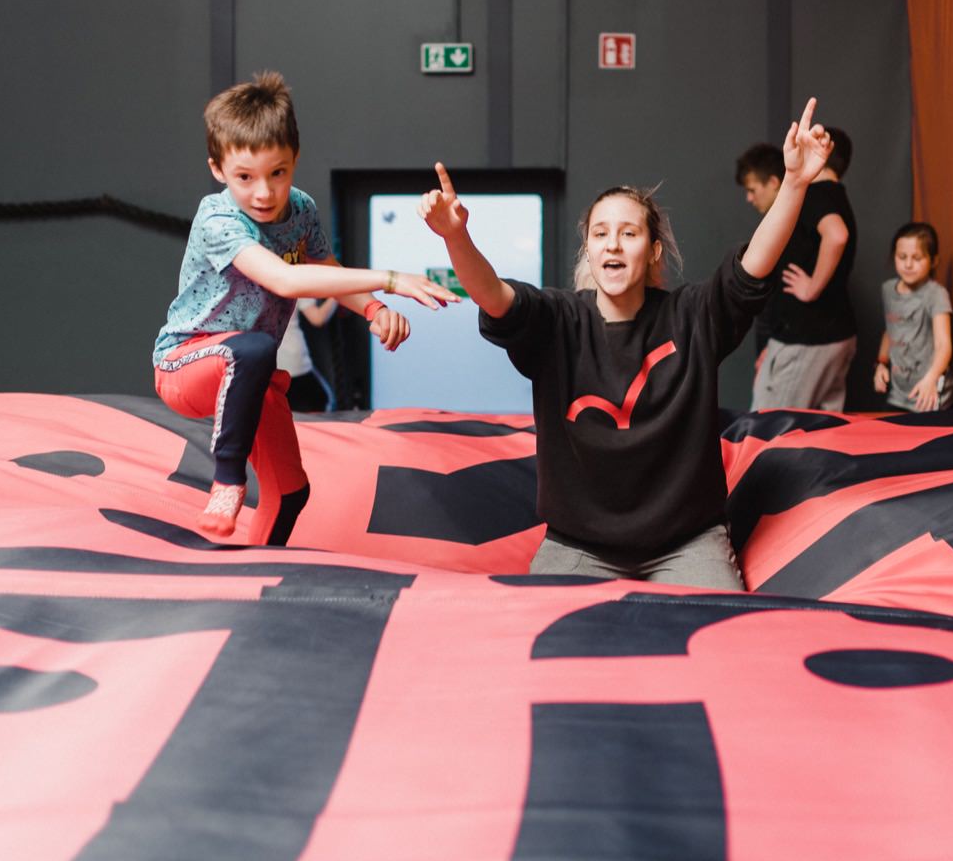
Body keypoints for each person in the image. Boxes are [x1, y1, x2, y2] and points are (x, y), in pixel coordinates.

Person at [423, 102, 834, 587]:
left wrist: (794, 184)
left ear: (653, 249)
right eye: (601, 234)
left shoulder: (693, 315)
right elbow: (494, 298)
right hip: (578, 545)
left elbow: (754, 266)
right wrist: (456, 237)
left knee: (723, 644)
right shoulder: (558, 320)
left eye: (628, 233)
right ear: (590, 251)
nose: (613, 244)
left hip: (687, 543)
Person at [153, 71, 457, 541]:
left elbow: (328, 272)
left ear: (295, 159)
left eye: (278, 173)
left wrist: (374, 311)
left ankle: (254, 573)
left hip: (252, 375)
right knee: (249, 347)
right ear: (218, 169)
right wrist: (391, 279)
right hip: (186, 364)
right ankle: (227, 479)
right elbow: (285, 278)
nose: (264, 193)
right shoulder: (218, 217)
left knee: (291, 492)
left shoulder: (301, 210)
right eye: (245, 177)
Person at [740, 127, 859, 411]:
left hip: (806, 339)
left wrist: (812, 286)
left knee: (768, 431)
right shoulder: (837, 197)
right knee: (821, 435)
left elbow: (837, 234)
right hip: (834, 336)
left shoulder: (813, 194)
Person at [875, 222, 953, 412]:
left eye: (917, 258)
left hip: (930, 391)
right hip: (899, 391)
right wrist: (881, 364)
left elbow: (944, 345)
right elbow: (890, 330)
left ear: (934, 261)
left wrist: (931, 379)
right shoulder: (888, 289)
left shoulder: (936, 294)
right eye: (902, 257)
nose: (908, 264)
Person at [278, 298, 339, 412]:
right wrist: (338, 296)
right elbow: (318, 318)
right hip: (292, 361)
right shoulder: (295, 281)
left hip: (263, 360)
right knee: (323, 403)